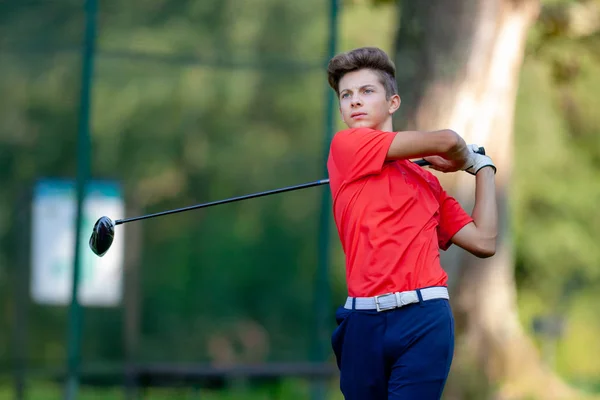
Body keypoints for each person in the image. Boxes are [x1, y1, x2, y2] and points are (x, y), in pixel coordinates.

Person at [326, 46, 498, 399]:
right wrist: (459, 156)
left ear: (393, 103)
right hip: (362, 322)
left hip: (425, 319)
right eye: (346, 95)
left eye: (366, 91)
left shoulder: (427, 182)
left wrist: (483, 169)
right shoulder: (346, 146)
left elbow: (484, 242)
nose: (354, 102)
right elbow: (449, 140)